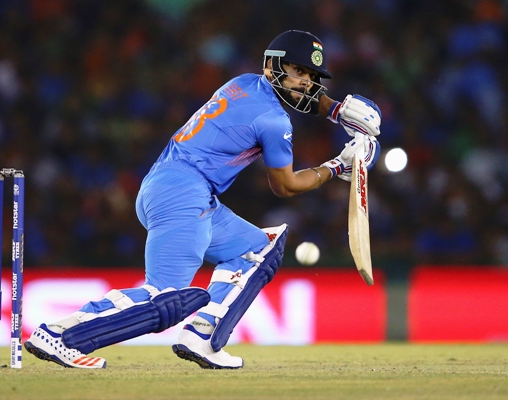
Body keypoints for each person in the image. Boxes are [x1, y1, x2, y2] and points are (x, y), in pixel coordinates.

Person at [24, 30, 382, 369]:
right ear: (274, 66)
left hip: (178, 189)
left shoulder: (242, 83)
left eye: (312, 75)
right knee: (164, 296)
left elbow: (297, 97)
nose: (306, 81)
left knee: (257, 248)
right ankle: (59, 335)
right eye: (299, 71)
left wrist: (336, 110)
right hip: (183, 194)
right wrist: (338, 166)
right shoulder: (274, 120)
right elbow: (285, 186)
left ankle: (204, 337)